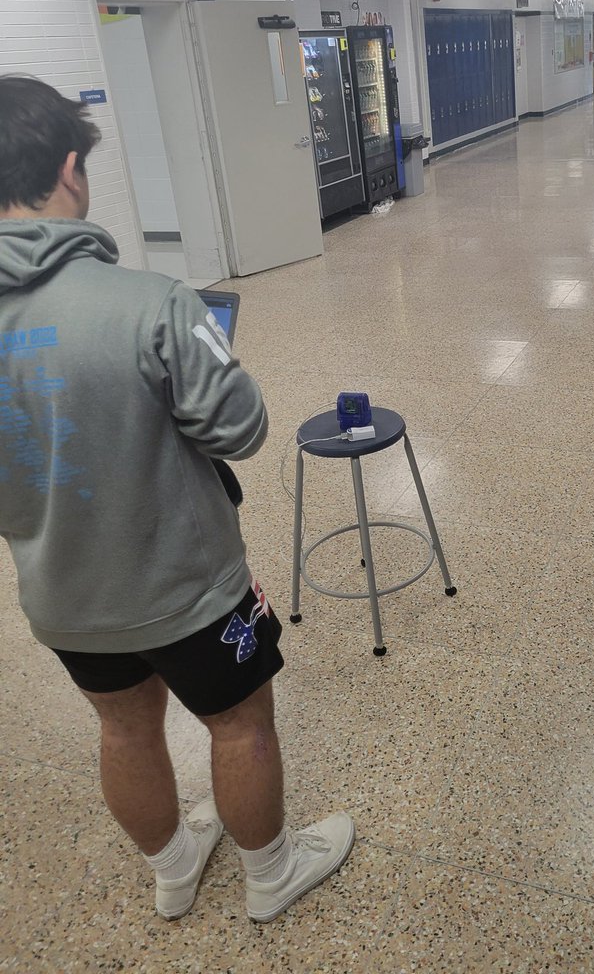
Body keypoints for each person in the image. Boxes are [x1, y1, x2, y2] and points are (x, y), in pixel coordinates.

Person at [0, 75, 353, 923]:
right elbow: (242, 429)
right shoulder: (155, 303)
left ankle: (172, 867)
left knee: (123, 729)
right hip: (188, 588)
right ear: (73, 170)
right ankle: (271, 872)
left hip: (64, 595)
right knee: (238, 725)